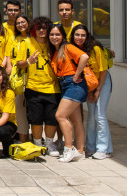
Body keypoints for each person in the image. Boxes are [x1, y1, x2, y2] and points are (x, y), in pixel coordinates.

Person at [15, 17, 61, 156]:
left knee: (51, 118)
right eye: (38, 28)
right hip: (33, 87)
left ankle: (49, 143)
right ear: (33, 29)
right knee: (36, 118)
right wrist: (28, 61)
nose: (41, 31)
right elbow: (18, 63)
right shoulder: (27, 42)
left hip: (52, 88)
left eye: (44, 28)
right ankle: (37, 143)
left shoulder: (53, 43)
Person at [70, 25, 112, 159]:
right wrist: (89, 90)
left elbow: (103, 70)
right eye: (77, 35)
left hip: (102, 82)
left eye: (83, 35)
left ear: (87, 36)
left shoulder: (95, 48)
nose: (80, 38)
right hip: (89, 83)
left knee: (100, 114)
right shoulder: (74, 49)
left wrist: (98, 90)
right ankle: (91, 147)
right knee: (92, 115)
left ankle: (102, 149)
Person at [49, 24, 89, 162]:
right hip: (66, 85)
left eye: (57, 35)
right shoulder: (56, 51)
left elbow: (84, 57)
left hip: (74, 85)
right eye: (52, 35)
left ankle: (68, 148)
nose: (54, 37)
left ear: (63, 36)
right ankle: (79, 151)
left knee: (60, 116)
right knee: (76, 121)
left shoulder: (67, 47)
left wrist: (77, 75)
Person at [7, 15, 32, 142]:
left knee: (32, 110)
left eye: (23, 22)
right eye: (18, 23)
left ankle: (37, 138)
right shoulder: (13, 38)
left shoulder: (34, 38)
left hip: (33, 79)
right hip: (17, 79)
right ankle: (23, 140)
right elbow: (8, 57)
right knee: (19, 110)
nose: (21, 25)